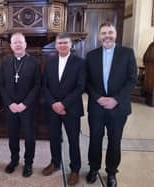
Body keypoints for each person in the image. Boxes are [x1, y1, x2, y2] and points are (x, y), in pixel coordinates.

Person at [85, 22, 137, 187]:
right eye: (104, 33)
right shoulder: (91, 55)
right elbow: (87, 81)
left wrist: (116, 99)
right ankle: (93, 168)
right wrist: (98, 98)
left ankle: (112, 172)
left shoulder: (127, 53)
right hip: (97, 106)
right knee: (95, 139)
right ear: (99, 36)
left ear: (115, 34)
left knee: (115, 141)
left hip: (118, 107)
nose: (107, 36)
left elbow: (132, 79)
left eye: (110, 32)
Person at [41, 32, 86, 186]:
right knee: (54, 137)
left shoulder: (79, 62)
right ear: (55, 45)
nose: (62, 45)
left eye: (65, 43)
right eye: (59, 43)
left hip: (71, 109)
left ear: (71, 44)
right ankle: (55, 162)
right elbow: (44, 85)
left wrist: (64, 104)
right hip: (53, 108)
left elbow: (81, 87)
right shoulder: (50, 62)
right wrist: (54, 103)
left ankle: (75, 169)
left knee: (73, 140)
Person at [0, 32, 41, 177]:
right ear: (11, 45)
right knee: (13, 136)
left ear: (25, 45)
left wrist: (24, 104)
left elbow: (37, 85)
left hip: (27, 108)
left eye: (20, 42)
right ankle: (14, 160)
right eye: (15, 42)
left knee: (29, 137)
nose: (17, 44)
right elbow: (1, 85)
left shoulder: (34, 63)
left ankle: (28, 163)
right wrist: (9, 103)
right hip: (11, 108)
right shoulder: (5, 62)